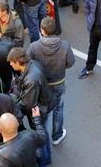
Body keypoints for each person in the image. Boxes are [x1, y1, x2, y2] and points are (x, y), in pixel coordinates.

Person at [28, 17, 75, 146]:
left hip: (41, 85)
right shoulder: (64, 45)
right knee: (58, 108)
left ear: (42, 30)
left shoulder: (34, 47)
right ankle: (57, 135)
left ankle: (42, 136)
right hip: (58, 83)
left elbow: (28, 65)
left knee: (42, 111)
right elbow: (70, 62)